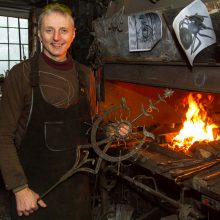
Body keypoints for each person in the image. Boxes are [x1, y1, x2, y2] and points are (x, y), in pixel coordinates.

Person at [0, 3, 96, 219]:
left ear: (73, 34)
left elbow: (90, 126)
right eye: (49, 30)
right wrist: (19, 188)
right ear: (39, 34)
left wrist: (109, 131)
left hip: (78, 195)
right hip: (33, 195)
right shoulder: (21, 75)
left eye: (63, 30)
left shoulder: (86, 75)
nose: (56, 38)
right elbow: (3, 136)